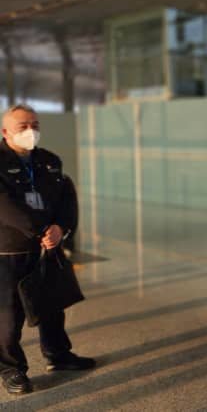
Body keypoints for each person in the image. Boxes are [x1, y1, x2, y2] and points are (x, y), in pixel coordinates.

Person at [0, 104, 94, 395]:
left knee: (52, 304)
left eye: (35, 125)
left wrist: (61, 228)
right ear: (5, 132)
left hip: (47, 246)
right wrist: (41, 230)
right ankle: (11, 369)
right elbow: (5, 206)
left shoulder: (50, 161)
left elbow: (66, 199)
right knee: (8, 315)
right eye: (23, 126)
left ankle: (58, 354)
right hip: (9, 251)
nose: (31, 131)